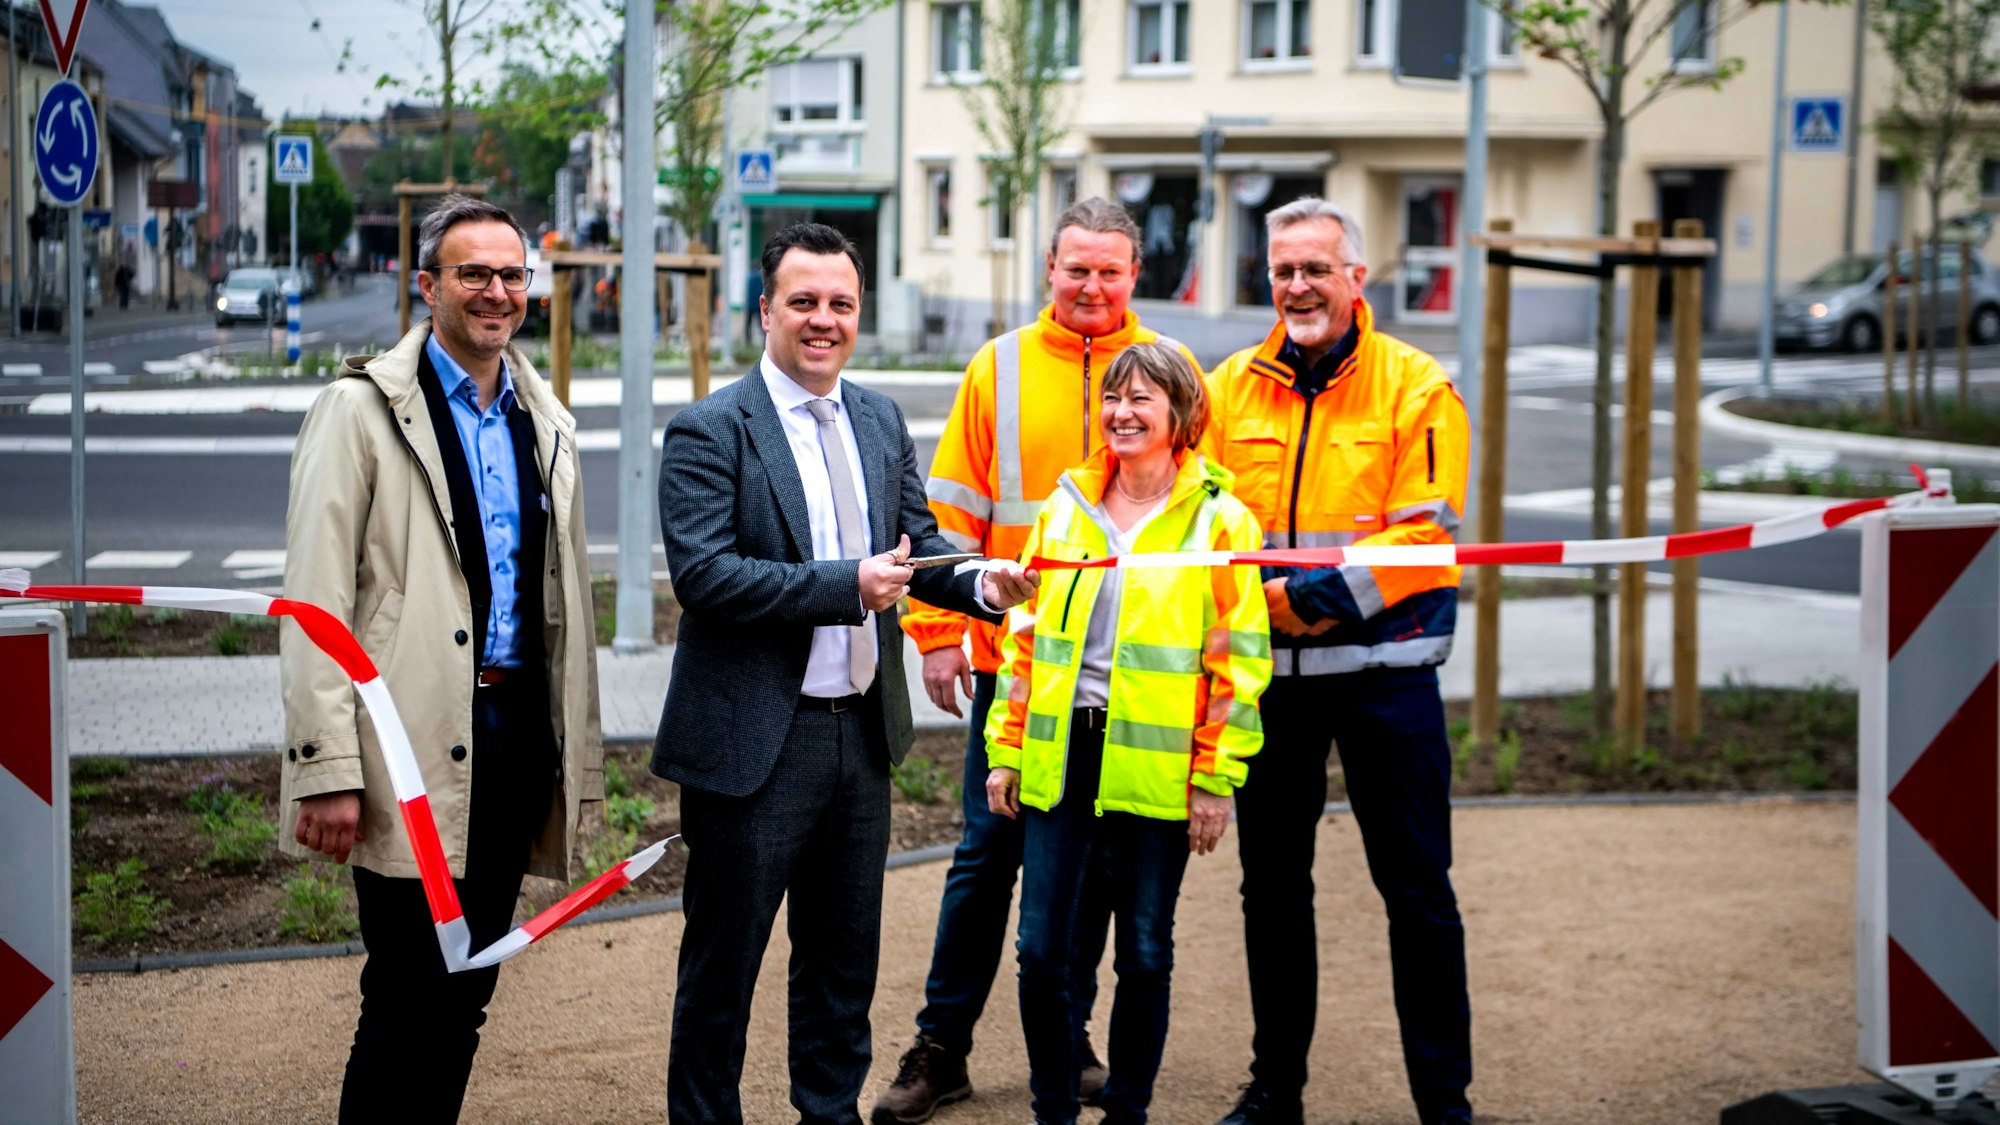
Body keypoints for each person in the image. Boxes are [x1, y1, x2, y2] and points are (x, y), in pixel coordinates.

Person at [652, 221, 1039, 1125]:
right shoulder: (710, 429)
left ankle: (828, 1116)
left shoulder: (877, 417)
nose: (823, 319)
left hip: (859, 740)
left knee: (840, 970)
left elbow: (918, 544)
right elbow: (705, 577)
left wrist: (983, 583)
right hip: (753, 746)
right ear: (765, 310)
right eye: (804, 301)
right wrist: (846, 587)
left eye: (841, 303)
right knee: (722, 973)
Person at [875, 196, 1201, 1124]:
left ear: (1134, 274)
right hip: (1018, 669)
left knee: (1091, 875)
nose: (1091, 286)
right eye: (1076, 268)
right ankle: (942, 1046)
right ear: (1049, 268)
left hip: (1129, 684)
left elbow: (1201, 512)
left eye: (1109, 271)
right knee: (985, 857)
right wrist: (938, 635)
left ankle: (1070, 1040)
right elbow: (945, 513)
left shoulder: (1171, 369)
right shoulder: (1001, 365)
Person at [279, 195, 602, 1122]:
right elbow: (314, 598)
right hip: (406, 746)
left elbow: (562, 610)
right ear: (427, 286)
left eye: (512, 274)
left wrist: (575, 764)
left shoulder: (544, 419)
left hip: (511, 744)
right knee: (407, 992)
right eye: (473, 273)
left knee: (466, 995)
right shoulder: (360, 412)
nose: (496, 292)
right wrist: (327, 768)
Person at [1200, 196, 1473, 1125]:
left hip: (1387, 677)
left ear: (1357, 277)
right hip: (1270, 688)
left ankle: (1445, 1104)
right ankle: (1275, 1091)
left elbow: (1423, 534)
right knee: (1272, 894)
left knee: (1418, 891)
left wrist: (1299, 602)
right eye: (1283, 270)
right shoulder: (1227, 388)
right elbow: (1200, 522)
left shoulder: (1417, 385)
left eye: (1316, 268)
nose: (1298, 286)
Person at [986, 341, 1270, 1125]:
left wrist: (1215, 778)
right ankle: (1052, 1111)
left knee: (1144, 951)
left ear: (1182, 412)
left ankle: (1127, 1113)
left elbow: (1239, 662)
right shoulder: (1066, 508)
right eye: (1113, 397)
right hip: (1062, 756)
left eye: (1142, 398)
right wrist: (1006, 750)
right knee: (1041, 950)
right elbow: (1025, 639)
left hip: (1158, 766)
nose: (1122, 412)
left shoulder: (1221, 518)